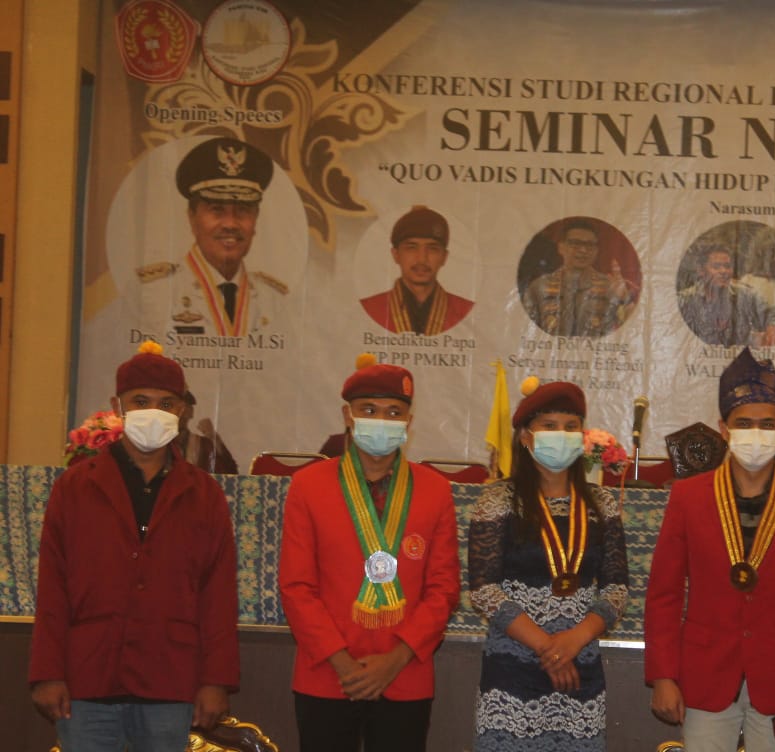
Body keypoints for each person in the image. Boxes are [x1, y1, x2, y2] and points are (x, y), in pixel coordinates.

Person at [29, 341, 239, 750]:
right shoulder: (75, 486)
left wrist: (216, 681)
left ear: (182, 411)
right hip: (86, 680)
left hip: (169, 680)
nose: (154, 412)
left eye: (166, 403)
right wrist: (46, 673)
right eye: (140, 401)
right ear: (117, 406)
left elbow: (217, 596)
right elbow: (53, 586)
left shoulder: (204, 494)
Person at [645, 350, 775, 752]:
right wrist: (663, 675)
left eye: (767, 424)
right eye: (744, 423)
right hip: (705, 675)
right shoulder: (688, 497)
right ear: (724, 428)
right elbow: (664, 594)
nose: (756, 433)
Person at [279, 354, 461, 752]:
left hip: (405, 674)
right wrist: (342, 662)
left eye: (394, 412)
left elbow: (444, 589)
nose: (382, 420)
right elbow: (296, 586)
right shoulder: (308, 486)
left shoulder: (435, 490)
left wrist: (395, 659)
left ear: (409, 421)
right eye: (369, 410)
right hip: (327, 675)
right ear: (348, 415)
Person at [468, 377, 628, 750]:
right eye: (550, 426)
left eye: (571, 427)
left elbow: (617, 588)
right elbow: (483, 589)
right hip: (512, 669)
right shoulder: (497, 500)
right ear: (526, 437)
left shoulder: (602, 504)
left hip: (580, 666)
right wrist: (549, 648)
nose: (562, 434)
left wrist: (574, 640)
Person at [137, 136, 288, 336]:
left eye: (243, 210)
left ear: (256, 218)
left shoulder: (277, 299)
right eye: (217, 209)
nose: (230, 224)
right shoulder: (150, 292)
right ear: (192, 217)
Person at [360, 205, 474, 334]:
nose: (422, 259)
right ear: (396, 255)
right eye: (411, 248)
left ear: (444, 257)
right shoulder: (370, 308)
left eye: (432, 248)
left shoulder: (466, 312)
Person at [522, 218, 635, 337]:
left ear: (596, 251)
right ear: (561, 247)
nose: (583, 250)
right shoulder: (539, 287)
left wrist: (624, 299)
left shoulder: (610, 287)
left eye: (590, 245)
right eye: (575, 243)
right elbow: (523, 329)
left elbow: (632, 331)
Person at [678, 246, 775, 347]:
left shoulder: (744, 295)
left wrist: (774, 327)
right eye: (716, 267)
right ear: (701, 270)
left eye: (727, 266)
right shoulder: (685, 300)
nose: (723, 271)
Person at [177, 390, 239, 474]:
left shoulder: (203, 445)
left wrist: (212, 436)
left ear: (191, 412)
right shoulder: (160, 443)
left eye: (184, 408)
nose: (179, 414)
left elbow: (230, 472)